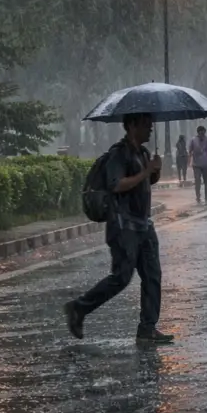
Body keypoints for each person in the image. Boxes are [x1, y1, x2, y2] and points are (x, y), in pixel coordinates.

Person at [63, 113, 173, 345]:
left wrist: (155, 170)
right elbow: (116, 185)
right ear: (132, 125)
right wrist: (145, 172)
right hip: (124, 227)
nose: (150, 129)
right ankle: (78, 308)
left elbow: (145, 182)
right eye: (145, 125)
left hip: (143, 224)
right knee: (121, 277)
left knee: (153, 276)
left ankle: (147, 328)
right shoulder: (118, 154)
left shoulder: (142, 153)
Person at [187, 125, 207, 203]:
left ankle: (206, 197)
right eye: (200, 133)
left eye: (203, 133)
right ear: (198, 133)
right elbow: (190, 151)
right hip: (196, 165)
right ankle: (198, 196)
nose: (202, 135)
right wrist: (189, 160)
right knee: (197, 180)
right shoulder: (193, 140)